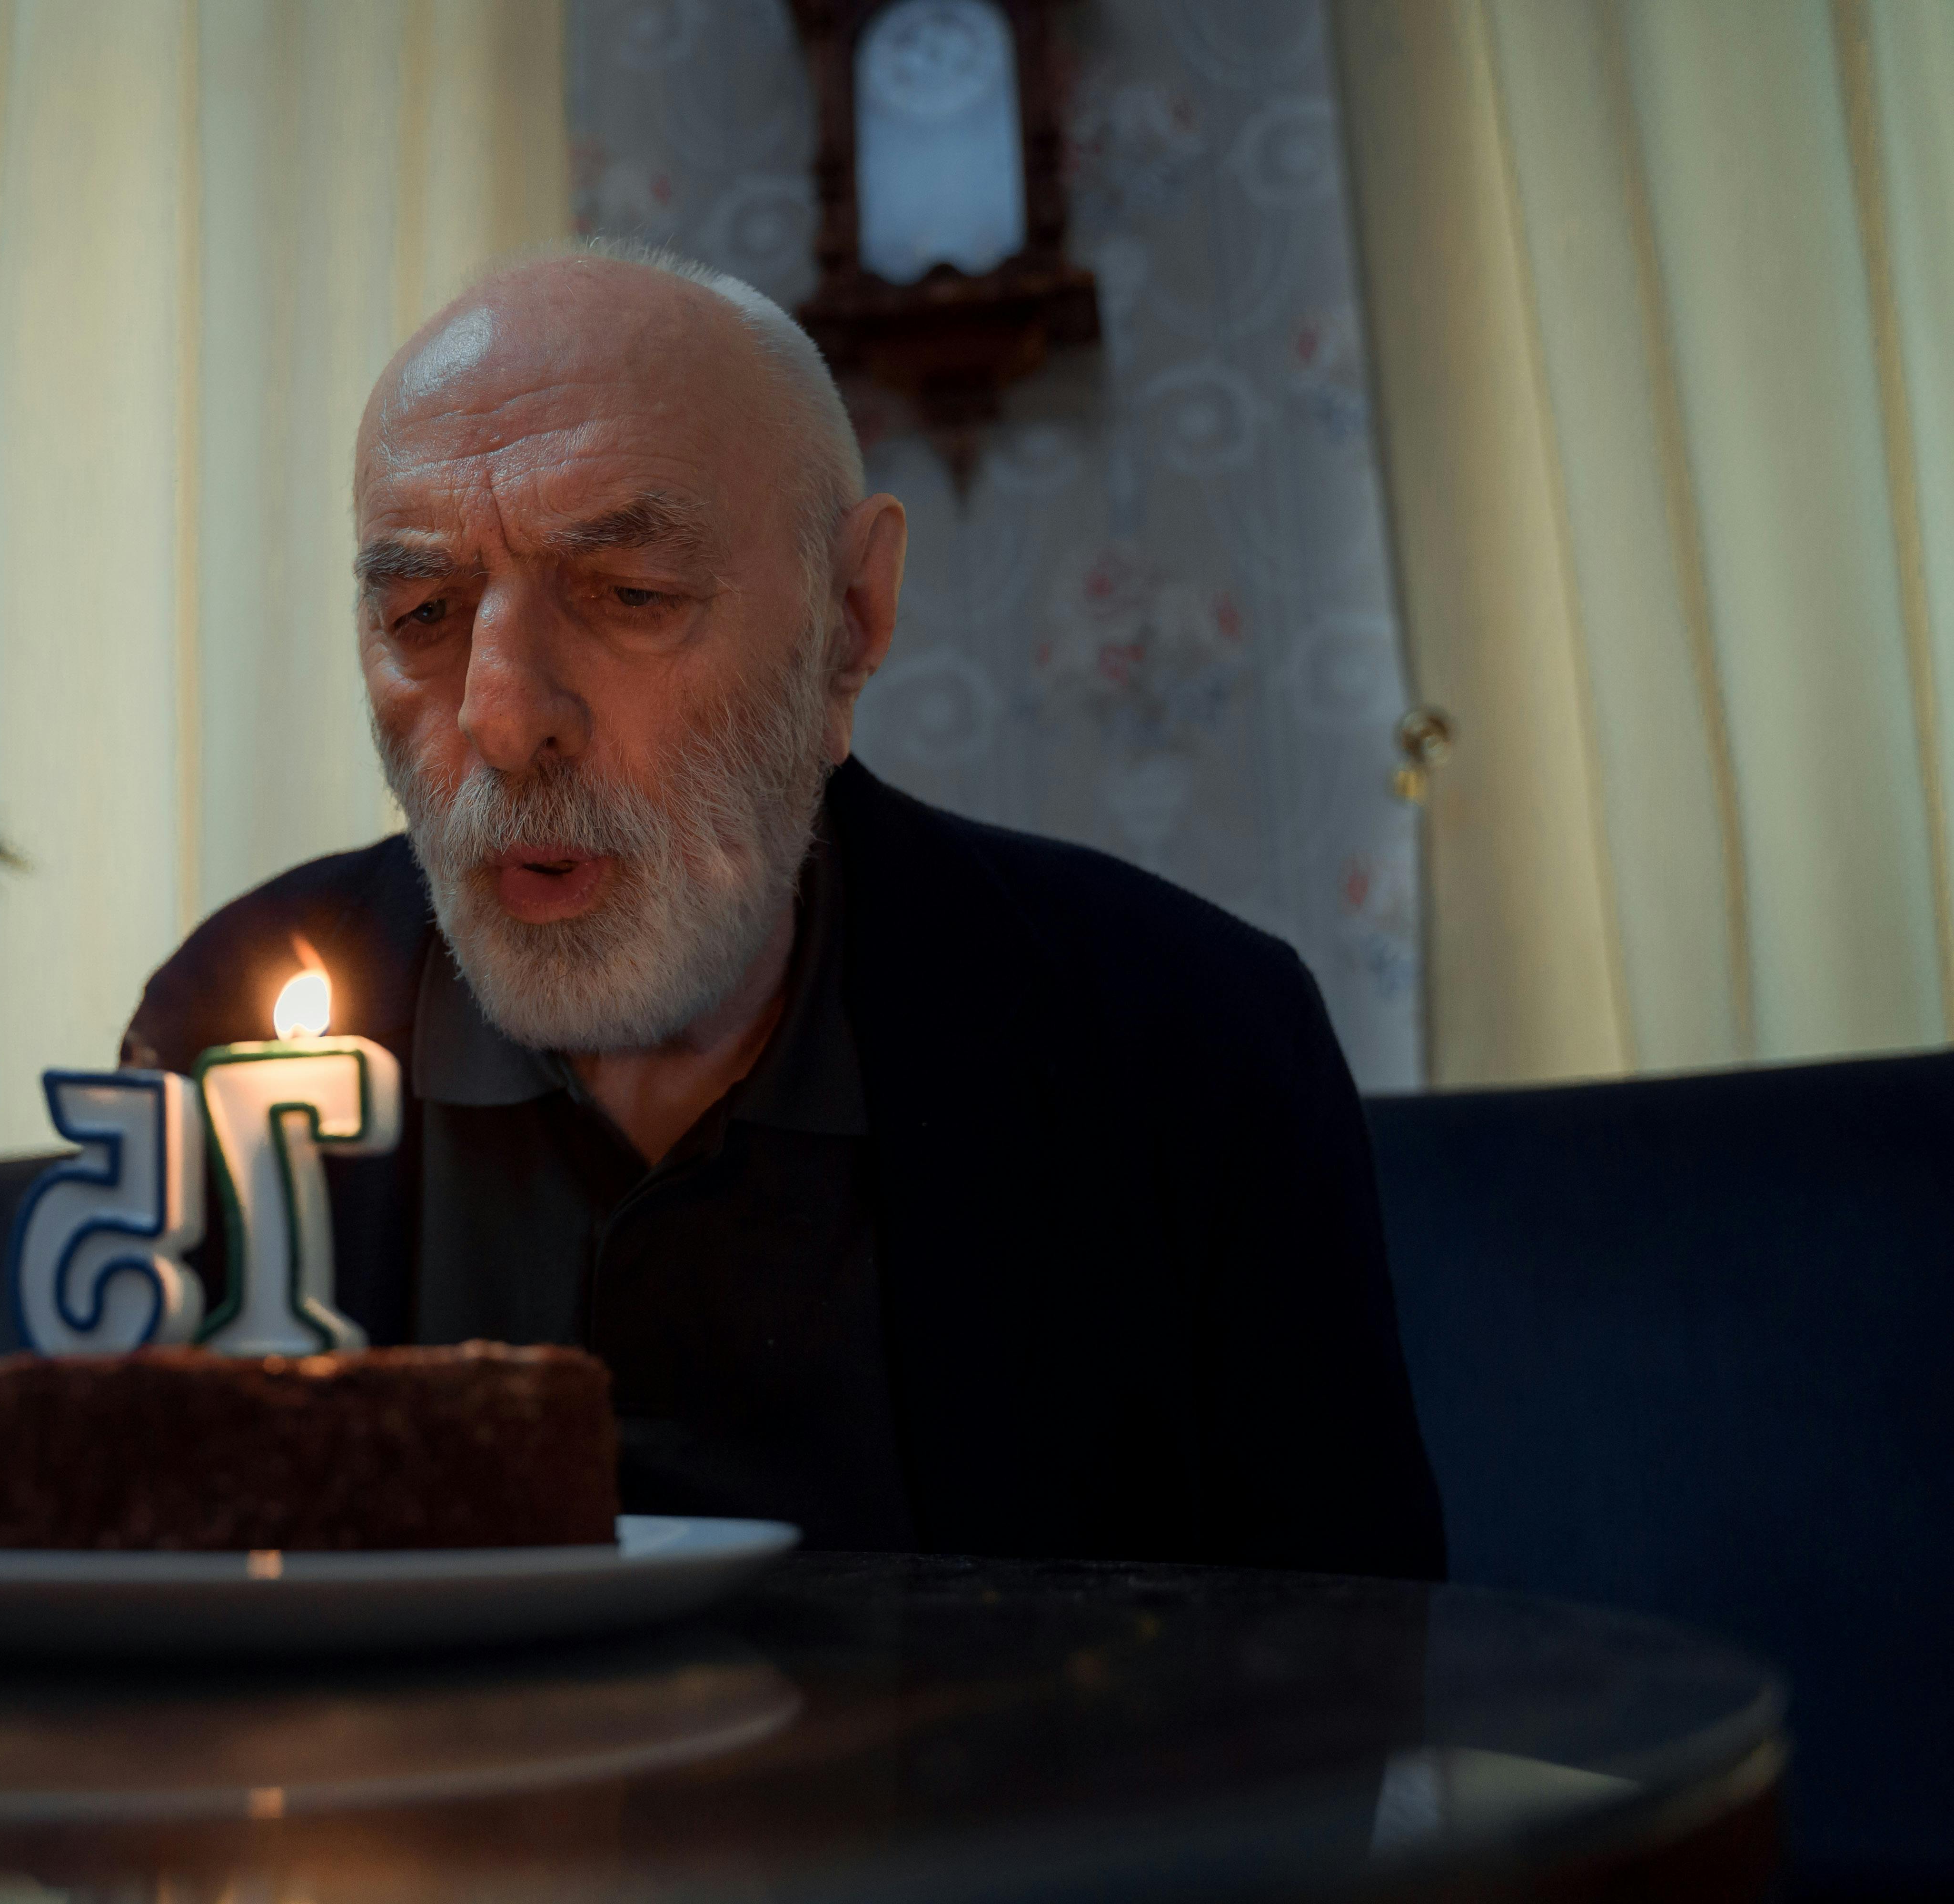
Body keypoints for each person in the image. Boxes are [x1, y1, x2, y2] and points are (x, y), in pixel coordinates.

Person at [124, 244, 1445, 1577]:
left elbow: (1350, 1675)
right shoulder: (231, 1026)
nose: (502, 715)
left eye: (630, 596)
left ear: (851, 618)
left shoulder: (1186, 1049)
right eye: (421, 610)